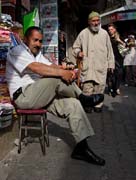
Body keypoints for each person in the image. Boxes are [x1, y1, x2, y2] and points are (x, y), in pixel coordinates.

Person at [6, 26, 105, 166]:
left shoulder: (38, 55)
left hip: (41, 96)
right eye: (35, 40)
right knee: (56, 78)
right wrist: (61, 73)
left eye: (40, 41)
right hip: (24, 97)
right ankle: (83, 97)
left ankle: (82, 148)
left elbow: (52, 67)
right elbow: (36, 68)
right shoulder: (17, 51)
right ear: (25, 39)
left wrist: (68, 70)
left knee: (73, 105)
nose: (38, 44)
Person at [72, 11, 115, 113]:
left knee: (99, 88)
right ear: (89, 22)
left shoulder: (104, 34)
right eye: (93, 21)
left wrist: (111, 64)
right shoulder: (83, 33)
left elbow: (110, 51)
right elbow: (75, 47)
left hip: (101, 67)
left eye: (97, 20)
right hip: (88, 67)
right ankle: (88, 105)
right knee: (87, 88)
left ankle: (98, 105)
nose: (96, 23)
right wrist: (78, 53)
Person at [107, 23, 125, 96]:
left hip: (119, 58)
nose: (110, 31)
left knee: (119, 73)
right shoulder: (107, 38)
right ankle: (112, 89)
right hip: (110, 58)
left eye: (111, 29)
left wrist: (119, 40)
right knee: (111, 75)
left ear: (114, 29)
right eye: (109, 30)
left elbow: (125, 45)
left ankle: (116, 87)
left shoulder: (119, 36)